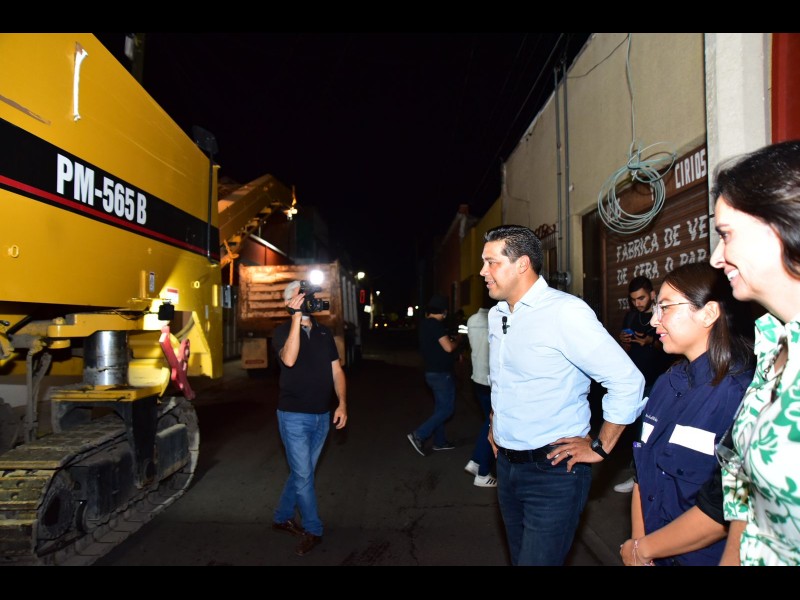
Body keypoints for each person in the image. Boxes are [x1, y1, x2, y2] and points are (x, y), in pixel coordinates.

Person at [480, 224, 645, 566]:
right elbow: (504, 379)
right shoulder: (497, 316)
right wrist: (496, 423)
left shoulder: (565, 312)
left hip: (553, 471)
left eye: (491, 262)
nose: (483, 271)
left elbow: (626, 380)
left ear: (522, 264)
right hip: (506, 467)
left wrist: (601, 446)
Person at [619, 262, 754, 566]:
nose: (654, 320)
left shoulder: (740, 395)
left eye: (665, 307)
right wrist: (639, 547)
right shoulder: (666, 383)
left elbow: (724, 509)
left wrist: (645, 549)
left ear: (708, 313)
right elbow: (641, 470)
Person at [709, 140, 800, 566]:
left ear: (781, 224)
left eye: (726, 235)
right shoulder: (771, 343)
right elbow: (748, 496)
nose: (716, 258)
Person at [270, 279, 348, 557]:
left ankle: (281, 517)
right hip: (293, 416)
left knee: (302, 473)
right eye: (301, 296)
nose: (307, 300)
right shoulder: (281, 332)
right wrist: (295, 319)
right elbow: (289, 360)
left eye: (308, 296)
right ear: (289, 302)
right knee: (303, 475)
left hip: (322, 416)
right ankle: (313, 529)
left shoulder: (324, 333)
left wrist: (342, 404)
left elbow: (337, 371)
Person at [614, 276, 671, 493]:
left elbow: (669, 349)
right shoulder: (631, 317)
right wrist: (625, 341)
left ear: (652, 295)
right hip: (634, 382)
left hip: (656, 381)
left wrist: (650, 342)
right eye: (633, 299)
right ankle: (637, 475)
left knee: (651, 432)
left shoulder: (661, 316)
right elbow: (626, 351)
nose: (637, 303)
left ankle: (645, 478)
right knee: (635, 432)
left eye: (641, 298)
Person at [407, 294, 463, 456]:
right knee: (447, 409)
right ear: (444, 311)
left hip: (430, 372)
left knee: (440, 409)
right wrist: (457, 341)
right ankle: (419, 434)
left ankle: (439, 441)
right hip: (441, 374)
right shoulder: (436, 325)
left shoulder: (425, 324)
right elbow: (448, 348)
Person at [463, 302, 496, 487]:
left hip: (477, 378)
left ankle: (476, 461)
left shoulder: (472, 320)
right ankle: (482, 473)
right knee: (493, 425)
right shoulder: (496, 318)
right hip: (492, 380)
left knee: (488, 423)